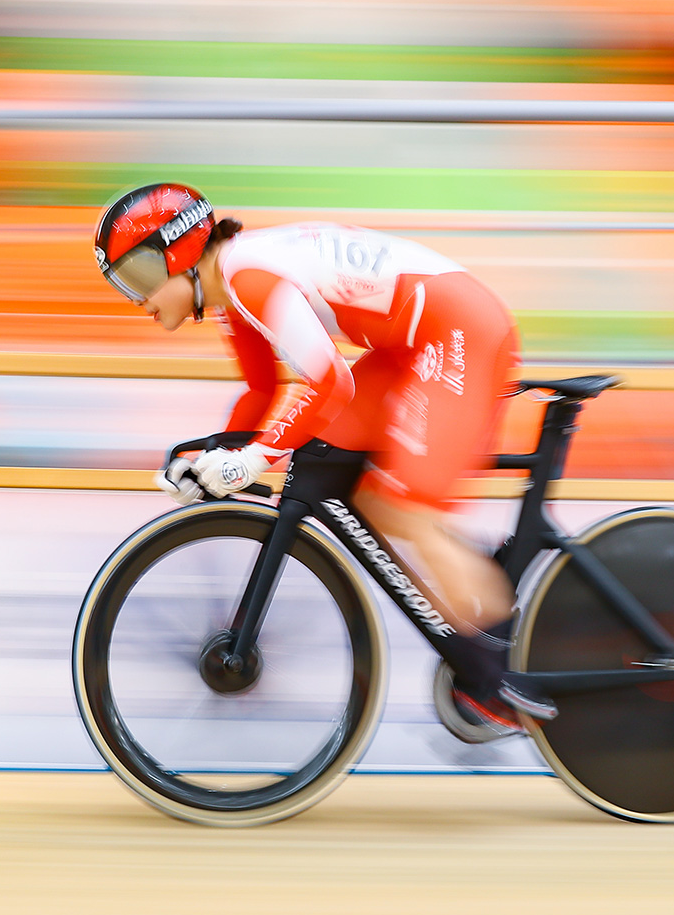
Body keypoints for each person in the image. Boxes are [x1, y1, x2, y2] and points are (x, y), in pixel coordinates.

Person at [92, 181, 556, 731]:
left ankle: (499, 675)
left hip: (456, 333)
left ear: (182, 250)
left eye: (140, 276)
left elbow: (329, 380)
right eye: (123, 284)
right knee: (354, 481)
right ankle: (476, 588)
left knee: (404, 507)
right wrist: (218, 460)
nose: (138, 298)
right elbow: (263, 397)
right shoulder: (232, 292)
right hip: (412, 342)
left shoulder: (249, 276)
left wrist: (256, 456)